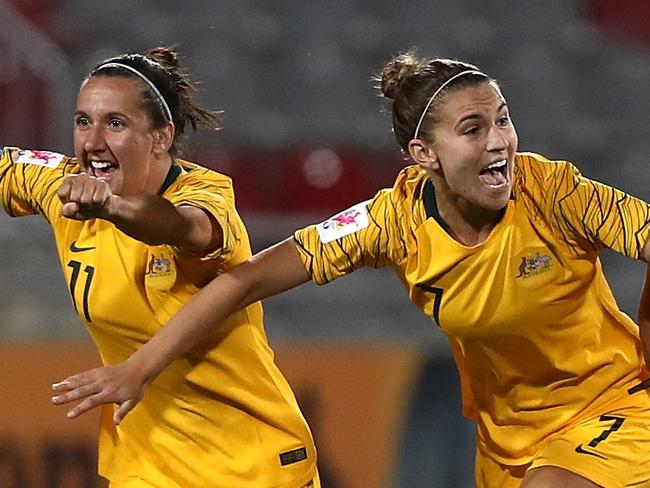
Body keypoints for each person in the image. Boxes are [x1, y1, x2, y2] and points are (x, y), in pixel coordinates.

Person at [51, 51, 650, 487]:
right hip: (508, 443)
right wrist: (140, 368)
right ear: (424, 156)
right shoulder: (392, 221)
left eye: (503, 119)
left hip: (615, 410)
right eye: (473, 129)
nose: (501, 141)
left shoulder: (555, 193)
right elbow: (244, 279)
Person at [1, 47, 318, 488]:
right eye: (82, 121)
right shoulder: (64, 187)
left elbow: (179, 226)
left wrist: (112, 207)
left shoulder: (207, 196)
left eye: (116, 123)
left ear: (161, 136)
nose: (93, 142)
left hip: (250, 467)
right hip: (146, 469)